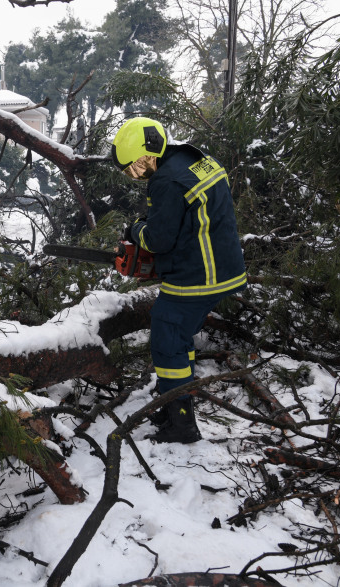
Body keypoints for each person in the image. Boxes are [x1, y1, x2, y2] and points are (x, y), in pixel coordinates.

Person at [111, 117, 247, 444]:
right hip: (225, 267)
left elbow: (158, 240)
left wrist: (135, 230)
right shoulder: (195, 159)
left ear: (150, 153)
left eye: (138, 167)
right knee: (180, 339)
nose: (138, 175)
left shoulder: (166, 181)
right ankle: (173, 404)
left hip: (199, 276)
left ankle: (182, 424)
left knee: (167, 337)